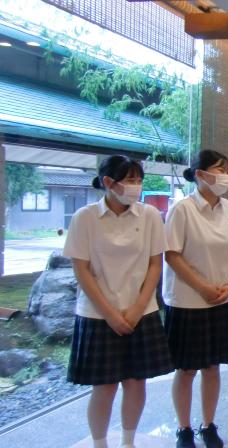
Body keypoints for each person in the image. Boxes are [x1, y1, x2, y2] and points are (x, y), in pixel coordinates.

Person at [63, 155, 172, 448]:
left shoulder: (149, 215)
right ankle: (100, 443)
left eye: (139, 180)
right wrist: (110, 313)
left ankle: (128, 442)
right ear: (109, 182)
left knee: (136, 381)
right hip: (98, 314)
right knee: (105, 386)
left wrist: (138, 308)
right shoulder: (85, 217)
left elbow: (155, 265)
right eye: (130, 180)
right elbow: (81, 269)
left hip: (141, 311)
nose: (136, 185)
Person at [163, 150, 228, 448]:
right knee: (186, 369)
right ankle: (183, 429)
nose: (225, 176)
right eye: (219, 170)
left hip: (221, 299)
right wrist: (202, 287)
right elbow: (172, 255)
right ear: (199, 174)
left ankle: (208, 425)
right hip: (188, 301)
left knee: (213, 367)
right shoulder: (182, 209)